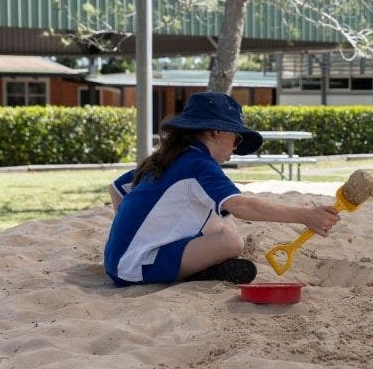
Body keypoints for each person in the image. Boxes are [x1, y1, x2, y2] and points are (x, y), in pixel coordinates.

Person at [104, 92, 340, 287]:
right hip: (135, 269)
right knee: (231, 241)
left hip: (116, 260)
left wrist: (134, 235)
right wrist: (305, 216)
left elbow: (116, 189)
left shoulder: (169, 157)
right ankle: (193, 272)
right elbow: (242, 206)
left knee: (217, 219)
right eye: (236, 139)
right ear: (215, 131)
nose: (234, 148)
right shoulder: (199, 165)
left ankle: (190, 266)